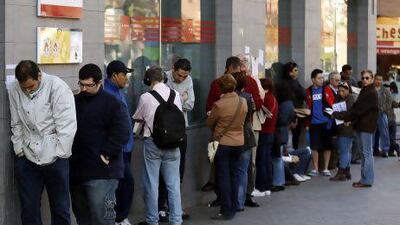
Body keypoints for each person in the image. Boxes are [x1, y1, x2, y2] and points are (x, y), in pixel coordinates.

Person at [9, 60, 77, 225]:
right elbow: (15, 122)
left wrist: (60, 154)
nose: (27, 90)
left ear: (39, 75)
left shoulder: (57, 87)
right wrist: (19, 150)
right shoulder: (14, 88)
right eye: (24, 87)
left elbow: (67, 124)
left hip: (55, 155)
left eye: (31, 86)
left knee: (60, 207)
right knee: (29, 208)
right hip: (27, 155)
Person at [70, 64, 131, 225]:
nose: (83, 89)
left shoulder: (112, 103)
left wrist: (107, 154)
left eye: (88, 85)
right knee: (82, 217)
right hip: (77, 170)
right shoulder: (74, 101)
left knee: (102, 218)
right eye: (81, 84)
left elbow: (123, 132)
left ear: (98, 83)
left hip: (103, 171)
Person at [133, 67, 184, 225]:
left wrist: (135, 133)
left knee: (151, 184)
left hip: (153, 144)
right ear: (165, 79)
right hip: (174, 144)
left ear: (148, 80)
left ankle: (152, 220)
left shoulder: (145, 97)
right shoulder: (175, 95)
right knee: (173, 185)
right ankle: (176, 220)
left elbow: (138, 120)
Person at [207, 74, 247, 220]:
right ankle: (235, 205)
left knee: (223, 177)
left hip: (223, 144)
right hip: (239, 143)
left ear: (221, 88)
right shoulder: (243, 101)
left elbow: (209, 123)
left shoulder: (219, 104)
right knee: (235, 175)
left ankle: (226, 209)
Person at [159, 58, 194, 221]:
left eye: (184, 77)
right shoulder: (163, 79)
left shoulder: (189, 80)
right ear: (173, 69)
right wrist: (181, 98)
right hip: (164, 131)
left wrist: (178, 100)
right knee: (162, 172)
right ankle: (161, 207)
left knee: (179, 170)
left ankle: (175, 208)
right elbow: (164, 105)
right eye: (179, 76)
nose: (182, 79)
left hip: (181, 129)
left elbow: (191, 105)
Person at [333, 70, 378, 188]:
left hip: (366, 127)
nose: (364, 80)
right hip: (363, 126)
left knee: (367, 154)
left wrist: (339, 115)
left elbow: (357, 110)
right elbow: (359, 111)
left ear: (372, 78)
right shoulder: (366, 90)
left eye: (367, 78)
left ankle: (366, 180)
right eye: (363, 78)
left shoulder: (370, 92)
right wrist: (350, 120)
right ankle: (365, 179)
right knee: (365, 154)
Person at [104, 60, 135, 225]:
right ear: (114, 75)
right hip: (118, 149)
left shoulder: (118, 91)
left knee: (124, 184)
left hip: (126, 147)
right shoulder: (108, 94)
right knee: (125, 183)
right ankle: (118, 218)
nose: (127, 79)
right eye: (124, 75)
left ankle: (120, 217)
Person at [231, 71, 256, 211]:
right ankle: (240, 201)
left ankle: (233, 200)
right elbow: (251, 114)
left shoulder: (227, 98)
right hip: (246, 133)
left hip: (231, 135)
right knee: (243, 171)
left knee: (233, 170)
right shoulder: (248, 97)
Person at [305, 69, 335, 176]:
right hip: (314, 123)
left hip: (326, 122)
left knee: (327, 146)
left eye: (322, 78)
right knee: (314, 146)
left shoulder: (327, 90)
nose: (322, 80)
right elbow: (306, 106)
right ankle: (315, 168)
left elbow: (333, 104)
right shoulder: (308, 91)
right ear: (313, 79)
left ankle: (326, 168)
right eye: (319, 78)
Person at [255, 78, 278, 195]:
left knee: (261, 160)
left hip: (264, 132)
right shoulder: (273, 98)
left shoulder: (265, 99)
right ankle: (268, 185)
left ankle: (261, 186)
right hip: (271, 132)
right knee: (267, 160)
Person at [330, 81, 355, 181]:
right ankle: (347, 172)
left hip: (347, 128)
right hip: (341, 127)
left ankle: (341, 173)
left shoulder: (350, 99)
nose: (340, 93)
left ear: (347, 90)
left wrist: (335, 114)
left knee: (344, 152)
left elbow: (348, 114)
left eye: (342, 91)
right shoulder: (339, 97)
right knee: (347, 151)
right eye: (339, 91)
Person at [281, 62, 306, 150]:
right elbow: (303, 93)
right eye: (295, 70)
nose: (297, 72)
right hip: (293, 114)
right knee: (293, 139)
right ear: (289, 72)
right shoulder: (292, 83)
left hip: (287, 114)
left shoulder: (284, 83)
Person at [373, 73, 392, 158]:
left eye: (380, 79)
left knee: (384, 132)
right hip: (372, 114)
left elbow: (389, 102)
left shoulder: (385, 90)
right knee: (371, 132)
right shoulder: (370, 89)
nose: (378, 81)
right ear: (374, 79)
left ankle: (385, 150)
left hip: (382, 113)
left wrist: (384, 109)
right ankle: (372, 149)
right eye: (377, 79)